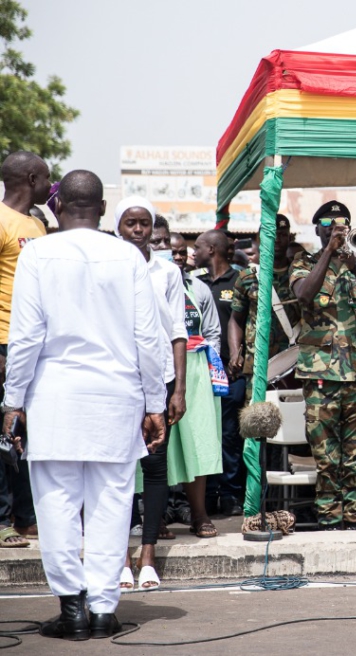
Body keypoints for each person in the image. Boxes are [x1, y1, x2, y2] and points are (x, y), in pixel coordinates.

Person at [3, 170, 167, 640]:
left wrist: (13, 399)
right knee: (111, 507)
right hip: (116, 400)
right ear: (101, 210)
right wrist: (154, 403)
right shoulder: (128, 256)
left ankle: (72, 608)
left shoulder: (36, 252)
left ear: (57, 207)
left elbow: (27, 336)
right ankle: (102, 608)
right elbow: (147, 338)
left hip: (54, 397)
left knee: (56, 506)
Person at [291, 201, 356, 530]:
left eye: (341, 225)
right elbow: (304, 294)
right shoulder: (303, 261)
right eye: (328, 225)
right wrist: (328, 254)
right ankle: (331, 522)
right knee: (327, 457)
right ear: (317, 229)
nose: (335, 230)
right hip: (320, 373)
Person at [115, 195, 186, 591]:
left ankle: (148, 555)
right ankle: (120, 556)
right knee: (119, 470)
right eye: (131, 223)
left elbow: (178, 331)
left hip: (159, 382)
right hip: (118, 382)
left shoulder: (167, 272)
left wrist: (180, 387)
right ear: (117, 226)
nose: (139, 230)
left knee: (155, 470)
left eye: (145, 223)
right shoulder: (107, 270)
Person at [0, 151, 49, 548]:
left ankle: (26, 516)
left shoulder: (37, 224)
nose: (52, 186)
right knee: (0, 436)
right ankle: (2, 519)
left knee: (23, 435)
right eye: (47, 178)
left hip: (32, 344)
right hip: (2, 341)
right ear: (31, 178)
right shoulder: (0, 220)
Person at [167, 232, 223, 538]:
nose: (176, 258)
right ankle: (156, 517)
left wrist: (206, 367)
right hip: (159, 371)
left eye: (180, 253)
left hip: (197, 371)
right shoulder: (145, 285)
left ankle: (199, 515)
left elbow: (213, 331)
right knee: (158, 447)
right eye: (170, 251)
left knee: (198, 443)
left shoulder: (199, 288)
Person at [193, 230, 245, 517]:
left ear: (212, 249)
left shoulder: (239, 281)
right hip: (200, 374)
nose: (193, 252)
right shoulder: (195, 283)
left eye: (198, 247)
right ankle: (207, 494)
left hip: (231, 373)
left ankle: (230, 495)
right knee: (204, 434)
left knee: (228, 436)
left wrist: (238, 357)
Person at [228, 215, 299, 400]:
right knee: (257, 420)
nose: (276, 239)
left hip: (294, 362)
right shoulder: (247, 277)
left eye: (282, 234)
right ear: (259, 239)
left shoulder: (300, 276)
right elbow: (236, 319)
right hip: (258, 364)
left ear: (290, 238)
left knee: (294, 420)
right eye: (270, 234)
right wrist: (236, 353)